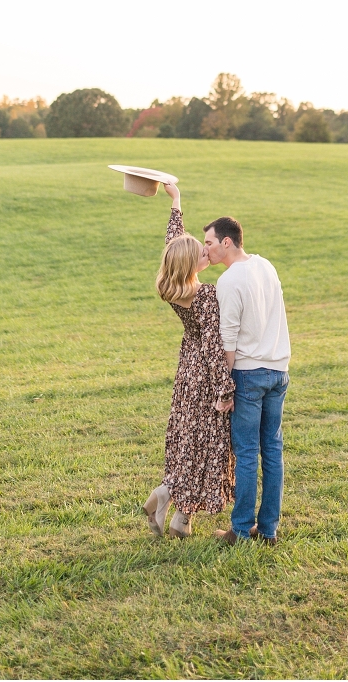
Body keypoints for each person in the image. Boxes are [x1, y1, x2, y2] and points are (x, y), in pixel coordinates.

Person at [142, 182, 235, 539]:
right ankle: (171, 501)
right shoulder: (206, 296)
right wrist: (224, 390)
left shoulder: (174, 287)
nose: (206, 254)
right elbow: (213, 348)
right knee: (205, 443)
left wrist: (176, 202)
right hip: (206, 376)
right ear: (190, 264)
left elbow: (174, 246)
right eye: (201, 254)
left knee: (187, 440)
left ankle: (178, 513)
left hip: (186, 372)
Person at [203, 216, 291, 545]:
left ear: (226, 242)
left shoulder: (229, 280)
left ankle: (240, 530)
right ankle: (268, 531)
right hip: (278, 370)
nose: (206, 250)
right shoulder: (266, 265)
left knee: (247, 452)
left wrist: (224, 388)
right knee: (273, 450)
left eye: (209, 243)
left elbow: (228, 339)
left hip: (249, 373)